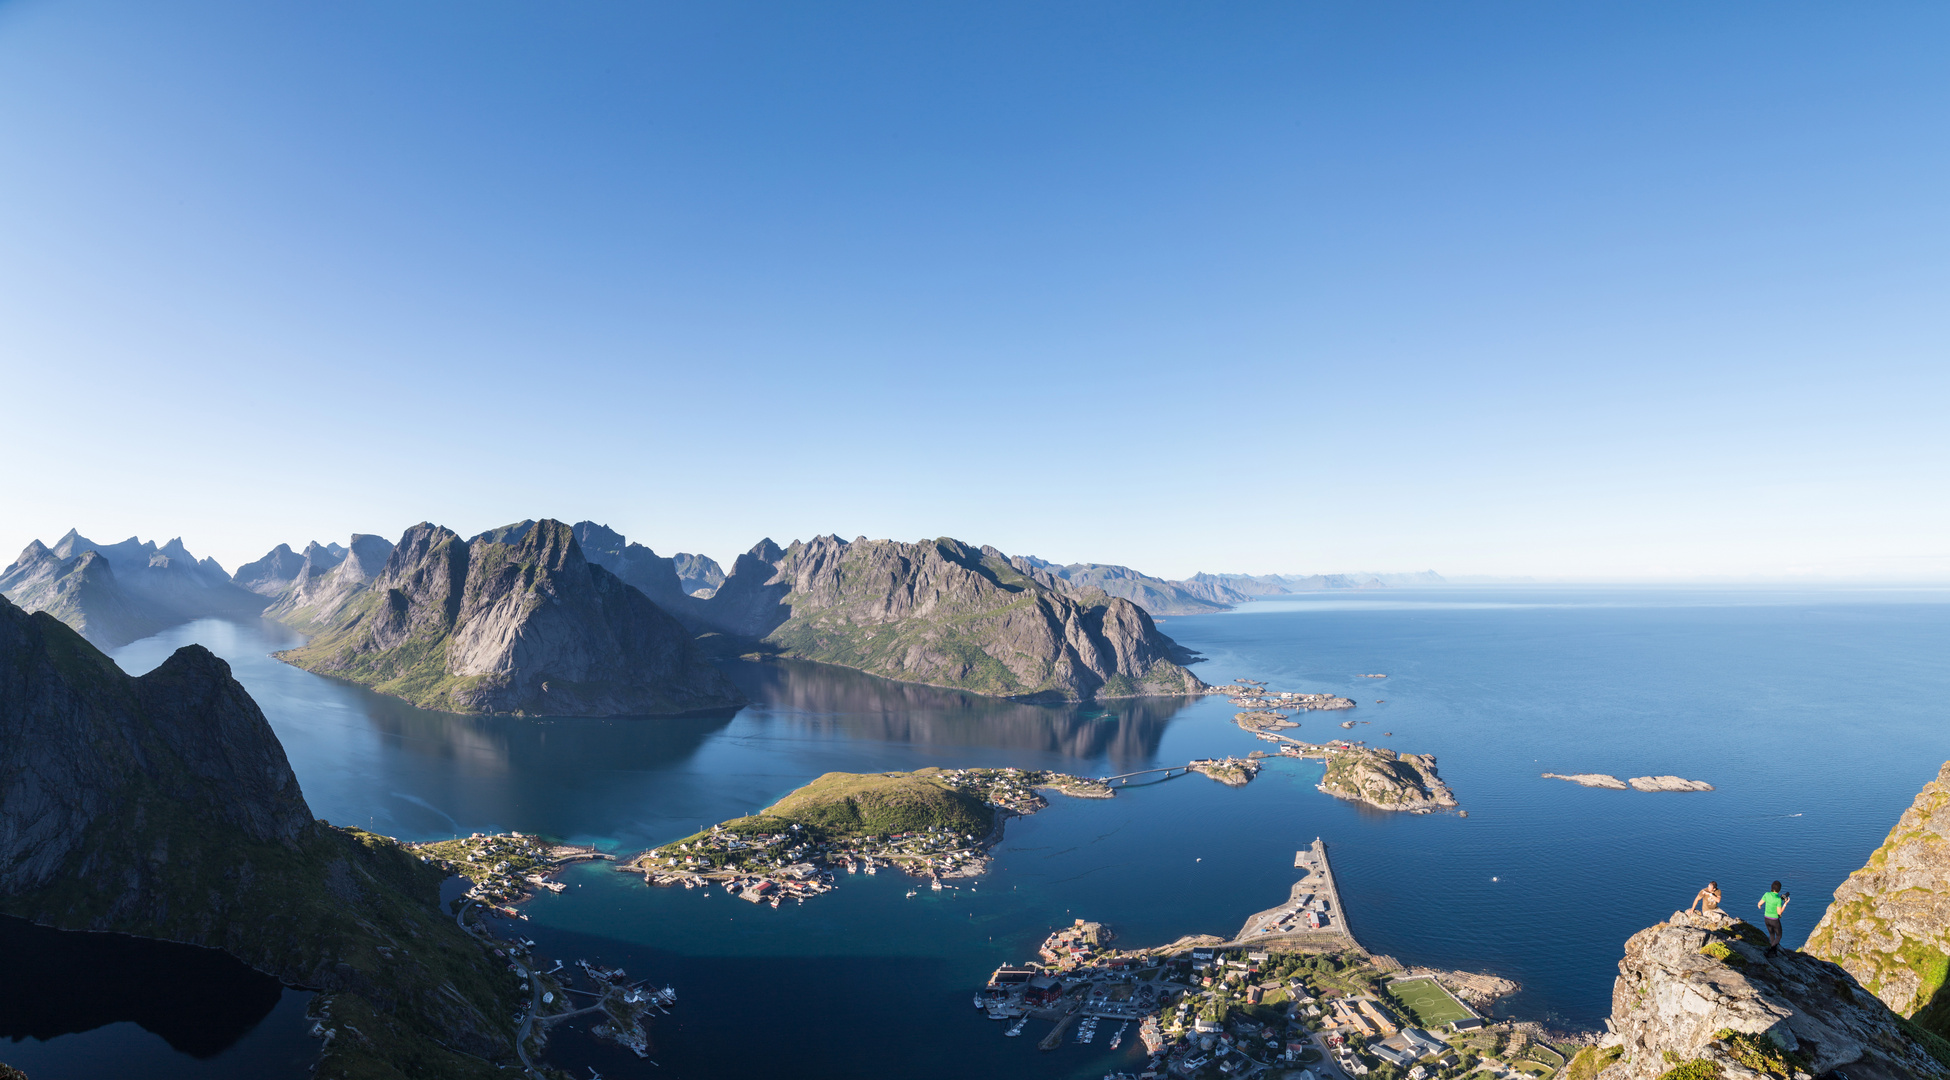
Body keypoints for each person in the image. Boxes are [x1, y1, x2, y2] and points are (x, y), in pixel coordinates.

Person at [1758, 881, 1790, 954]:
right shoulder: (1778, 899)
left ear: (1771, 887)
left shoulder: (1767, 894)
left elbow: (1759, 904)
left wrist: (1760, 906)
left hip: (1766, 919)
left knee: (1772, 934)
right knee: (1779, 936)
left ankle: (1774, 952)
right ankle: (1771, 950)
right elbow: (1779, 912)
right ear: (1779, 889)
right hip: (1774, 920)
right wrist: (1785, 903)